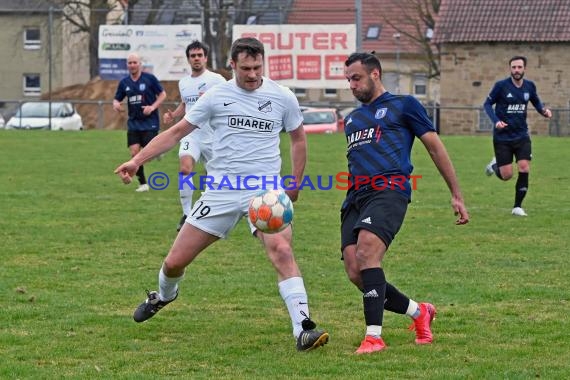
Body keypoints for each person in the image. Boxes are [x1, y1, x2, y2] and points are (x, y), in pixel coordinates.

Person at [114, 37, 329, 352]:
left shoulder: (282, 97)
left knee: (282, 251)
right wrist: (136, 161)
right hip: (221, 191)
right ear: (232, 65)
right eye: (245, 69)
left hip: (265, 191)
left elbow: (298, 139)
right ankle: (164, 295)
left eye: (257, 67)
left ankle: (303, 328)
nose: (253, 74)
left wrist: (294, 182)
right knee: (174, 263)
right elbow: (175, 132)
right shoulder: (216, 96)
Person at [342, 52, 469, 354]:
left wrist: (456, 194)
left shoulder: (404, 105)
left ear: (375, 74)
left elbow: (435, 149)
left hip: (390, 189)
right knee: (356, 271)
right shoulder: (352, 119)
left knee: (367, 252)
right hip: (355, 197)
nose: (351, 85)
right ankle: (419, 312)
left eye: (356, 78)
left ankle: (374, 337)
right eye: (348, 80)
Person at [163, 41, 226, 231]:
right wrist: (174, 115)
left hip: (213, 137)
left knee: (216, 177)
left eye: (200, 55)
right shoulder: (184, 82)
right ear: (189, 59)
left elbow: (229, 99)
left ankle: (207, 211)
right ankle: (187, 214)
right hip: (191, 136)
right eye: (193, 56)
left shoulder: (217, 80)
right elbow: (186, 105)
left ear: (205, 58)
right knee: (185, 170)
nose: (196, 58)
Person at [483, 55, 552, 216]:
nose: (516, 70)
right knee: (506, 175)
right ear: (510, 69)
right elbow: (487, 104)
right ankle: (495, 166)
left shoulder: (529, 87)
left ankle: (517, 207)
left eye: (519, 67)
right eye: (513, 67)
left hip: (521, 135)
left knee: (524, 167)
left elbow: (536, 101)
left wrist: (543, 111)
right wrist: (496, 121)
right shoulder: (501, 86)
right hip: (502, 137)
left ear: (524, 69)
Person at [113, 52, 167, 192]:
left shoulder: (149, 79)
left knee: (148, 152)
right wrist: (116, 104)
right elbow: (117, 98)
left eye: (135, 62)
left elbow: (162, 94)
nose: (132, 65)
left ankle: (158, 151)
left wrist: (152, 107)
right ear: (127, 65)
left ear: (140, 64)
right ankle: (143, 184)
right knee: (134, 154)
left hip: (150, 122)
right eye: (130, 63)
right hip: (134, 122)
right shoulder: (124, 83)